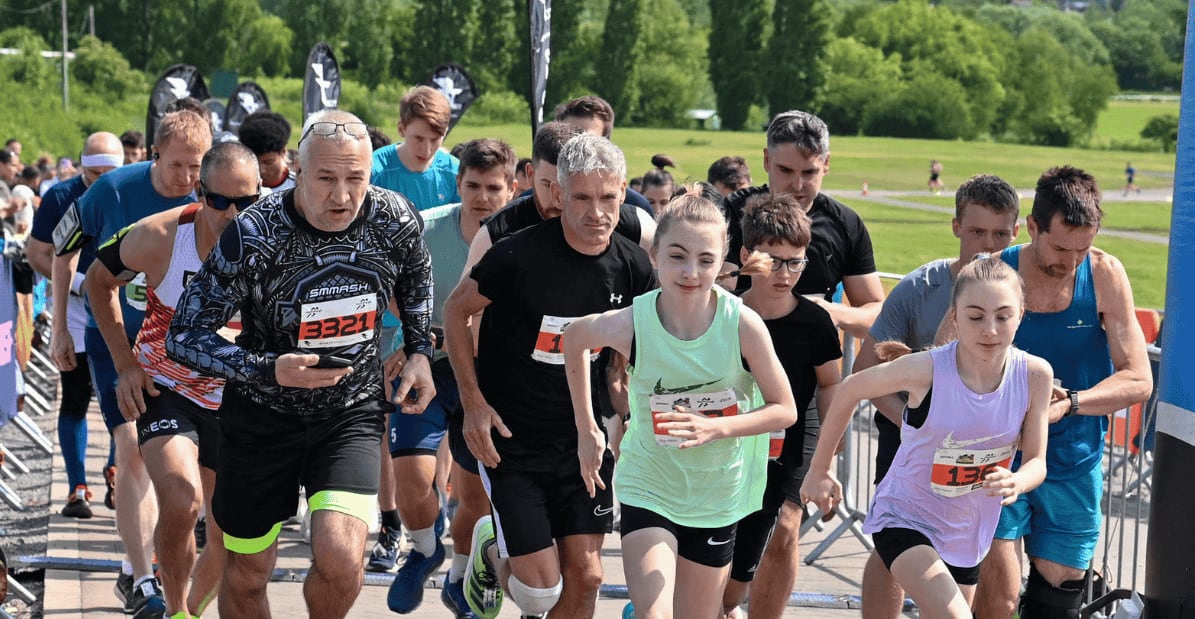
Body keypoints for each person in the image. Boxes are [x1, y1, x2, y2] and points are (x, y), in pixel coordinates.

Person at [165, 109, 436, 618]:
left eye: (355, 178)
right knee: (247, 574)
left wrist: (420, 349)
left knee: (341, 556)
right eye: (326, 179)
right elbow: (185, 335)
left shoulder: (393, 218)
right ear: (297, 171)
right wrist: (268, 368)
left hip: (348, 413)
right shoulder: (254, 233)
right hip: (261, 419)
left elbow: (416, 278)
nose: (341, 196)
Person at [444, 134, 658, 619]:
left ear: (623, 192)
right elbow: (456, 312)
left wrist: (626, 405)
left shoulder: (634, 266)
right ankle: (493, 548)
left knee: (586, 578)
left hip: (583, 441)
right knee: (539, 593)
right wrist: (474, 404)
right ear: (558, 194)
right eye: (581, 197)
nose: (596, 212)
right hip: (511, 440)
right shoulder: (515, 255)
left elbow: (638, 348)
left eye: (607, 197)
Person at [564, 191, 797, 618]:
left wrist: (717, 428)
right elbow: (575, 339)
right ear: (654, 256)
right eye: (677, 256)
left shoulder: (742, 324)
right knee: (655, 613)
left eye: (706, 260)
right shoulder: (634, 321)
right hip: (649, 484)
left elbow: (785, 409)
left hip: (717, 493)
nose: (691, 272)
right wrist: (587, 430)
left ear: (723, 260)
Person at [803, 257, 1053, 619]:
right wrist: (820, 470)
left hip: (967, 532)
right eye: (975, 316)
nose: (990, 329)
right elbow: (850, 388)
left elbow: (1037, 461)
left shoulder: (1034, 375)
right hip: (905, 518)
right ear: (954, 315)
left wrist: (1016, 480)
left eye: (1003, 316)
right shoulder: (928, 369)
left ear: (1021, 314)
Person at [85, 141, 259, 618]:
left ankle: (186, 614)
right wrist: (125, 363)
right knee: (182, 500)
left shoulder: (275, 245)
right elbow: (96, 284)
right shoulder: (162, 235)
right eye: (219, 201)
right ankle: (173, 607)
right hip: (168, 389)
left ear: (260, 195)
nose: (231, 214)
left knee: (227, 534)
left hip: (237, 399)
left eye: (245, 202)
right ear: (200, 194)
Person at [51, 111, 212, 617]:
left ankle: (148, 557)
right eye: (179, 167)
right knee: (132, 449)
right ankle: (142, 578)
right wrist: (59, 326)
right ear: (153, 155)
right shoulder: (110, 191)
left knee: (187, 465)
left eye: (197, 167)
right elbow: (62, 253)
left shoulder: (210, 198)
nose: (188, 178)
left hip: (183, 350)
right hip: (115, 338)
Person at [973, 166, 1153, 619]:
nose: (1071, 260)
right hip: (998, 460)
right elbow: (946, 356)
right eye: (1059, 247)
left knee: (1058, 600)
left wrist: (1071, 403)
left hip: (1073, 461)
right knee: (999, 598)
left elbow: (1138, 378)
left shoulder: (1106, 275)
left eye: (1083, 248)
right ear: (1032, 226)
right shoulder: (993, 274)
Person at [852, 173, 1021, 619]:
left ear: (1016, 233)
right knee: (894, 552)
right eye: (976, 231)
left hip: (978, 453)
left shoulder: (1014, 294)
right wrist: (911, 425)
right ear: (955, 227)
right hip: (910, 442)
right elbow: (865, 371)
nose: (988, 244)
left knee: (965, 562)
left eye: (999, 233)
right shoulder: (919, 287)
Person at [383, 138, 518, 616]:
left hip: (486, 379)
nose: (482, 197)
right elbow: (391, 287)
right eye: (473, 186)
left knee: (473, 494)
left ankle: (461, 578)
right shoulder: (427, 226)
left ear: (512, 188)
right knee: (412, 478)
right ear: (457, 183)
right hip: (428, 366)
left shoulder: (522, 238)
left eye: (493, 188)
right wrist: (419, 336)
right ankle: (423, 551)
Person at [720, 193, 844, 619]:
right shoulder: (720, 313)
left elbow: (831, 385)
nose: (785, 273)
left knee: (786, 526)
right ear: (746, 256)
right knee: (727, 551)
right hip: (732, 432)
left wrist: (826, 458)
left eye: (796, 261)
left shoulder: (815, 322)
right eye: (773, 260)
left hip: (794, 432)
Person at [25, 132, 124, 521]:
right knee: (77, 395)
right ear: (80, 165)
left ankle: (118, 472)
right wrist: (79, 284)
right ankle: (76, 486)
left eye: (108, 173)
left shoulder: (127, 191)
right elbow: (37, 253)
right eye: (92, 172)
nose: (99, 181)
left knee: (122, 397)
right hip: (78, 306)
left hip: (120, 304)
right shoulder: (60, 197)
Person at [721, 110, 884, 340]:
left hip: (813, 368)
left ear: (826, 163)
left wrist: (830, 312)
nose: (797, 185)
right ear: (767, 160)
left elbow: (878, 313)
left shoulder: (845, 224)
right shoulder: (734, 211)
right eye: (785, 170)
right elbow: (718, 294)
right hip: (739, 360)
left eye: (809, 172)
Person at [553, 95, 653, 212]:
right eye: (570, 137)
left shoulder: (636, 207)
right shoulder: (537, 202)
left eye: (588, 139)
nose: (577, 146)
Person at [372, 85, 461, 211]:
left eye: (435, 139)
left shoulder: (456, 173)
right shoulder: (375, 170)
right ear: (401, 129)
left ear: (445, 133)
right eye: (419, 138)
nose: (427, 150)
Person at [237, 111, 296, 195]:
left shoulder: (298, 188)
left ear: (283, 152)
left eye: (268, 162)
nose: (261, 170)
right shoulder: (237, 186)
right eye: (254, 162)